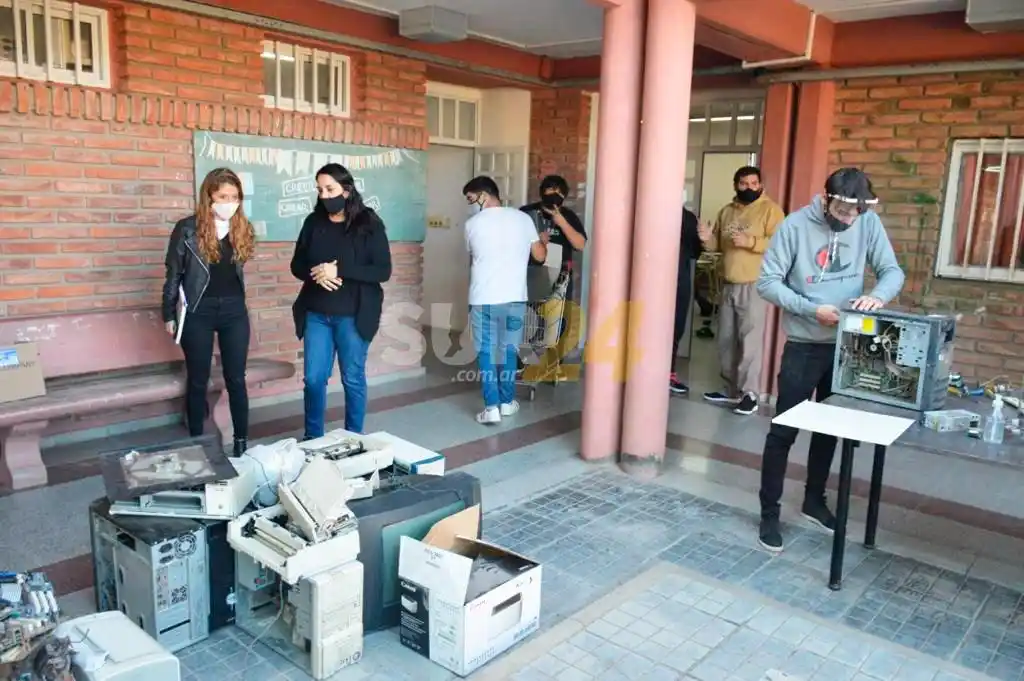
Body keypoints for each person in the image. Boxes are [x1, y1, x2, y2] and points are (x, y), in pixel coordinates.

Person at [755, 167, 905, 552]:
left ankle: (813, 501)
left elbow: (891, 271)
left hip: (847, 347)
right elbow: (768, 282)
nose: (848, 220)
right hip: (805, 345)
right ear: (825, 200)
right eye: (841, 212)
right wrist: (810, 310)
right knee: (783, 432)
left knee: (829, 429)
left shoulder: (867, 223)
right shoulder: (794, 227)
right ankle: (769, 515)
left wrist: (878, 297)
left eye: (855, 214)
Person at [291, 163, 392, 437]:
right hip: (317, 313)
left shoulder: (368, 223)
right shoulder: (313, 222)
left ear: (346, 190)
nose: (324, 195)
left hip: (353, 315)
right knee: (313, 379)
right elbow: (297, 265)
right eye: (320, 190)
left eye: (330, 189)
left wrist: (339, 271)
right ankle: (313, 438)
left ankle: (353, 437)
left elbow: (383, 271)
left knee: (352, 378)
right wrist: (317, 273)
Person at [162, 167, 255, 455]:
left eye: (235, 196)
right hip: (198, 311)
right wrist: (168, 313)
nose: (230, 202)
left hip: (234, 311)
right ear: (209, 197)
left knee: (236, 378)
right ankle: (197, 444)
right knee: (199, 377)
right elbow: (173, 274)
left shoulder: (242, 228)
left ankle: (241, 444)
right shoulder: (187, 228)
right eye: (223, 196)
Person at [698, 166, 785, 416]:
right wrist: (706, 238)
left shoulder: (771, 211)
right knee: (725, 339)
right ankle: (730, 390)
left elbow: (781, 245)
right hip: (728, 284)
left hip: (754, 285)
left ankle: (750, 394)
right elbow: (717, 246)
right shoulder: (727, 212)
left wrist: (751, 242)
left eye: (754, 183)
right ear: (736, 185)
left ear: (761, 185)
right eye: (744, 183)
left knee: (749, 340)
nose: (749, 187)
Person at [464, 176, 547, 424]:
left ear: (483, 195)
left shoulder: (472, 224)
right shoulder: (524, 219)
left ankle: (491, 407)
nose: (470, 204)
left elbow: (474, 255)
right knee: (508, 350)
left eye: (471, 199)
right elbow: (540, 256)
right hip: (514, 298)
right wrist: (542, 241)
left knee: (486, 352)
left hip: (483, 298)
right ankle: (507, 402)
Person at [519, 175, 587, 378]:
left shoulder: (568, 215)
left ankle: (553, 364)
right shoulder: (527, 214)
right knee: (528, 321)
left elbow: (580, 244)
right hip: (531, 276)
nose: (551, 200)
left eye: (556, 195)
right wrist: (535, 240)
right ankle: (523, 362)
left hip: (560, 278)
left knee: (558, 322)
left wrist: (560, 221)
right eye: (547, 194)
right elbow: (510, 243)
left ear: (563, 197)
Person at [669, 206, 704, 394]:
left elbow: (695, 251)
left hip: (679, 279)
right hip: (648, 281)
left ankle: (669, 373)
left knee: (675, 327)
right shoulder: (646, 208)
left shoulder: (687, 218)